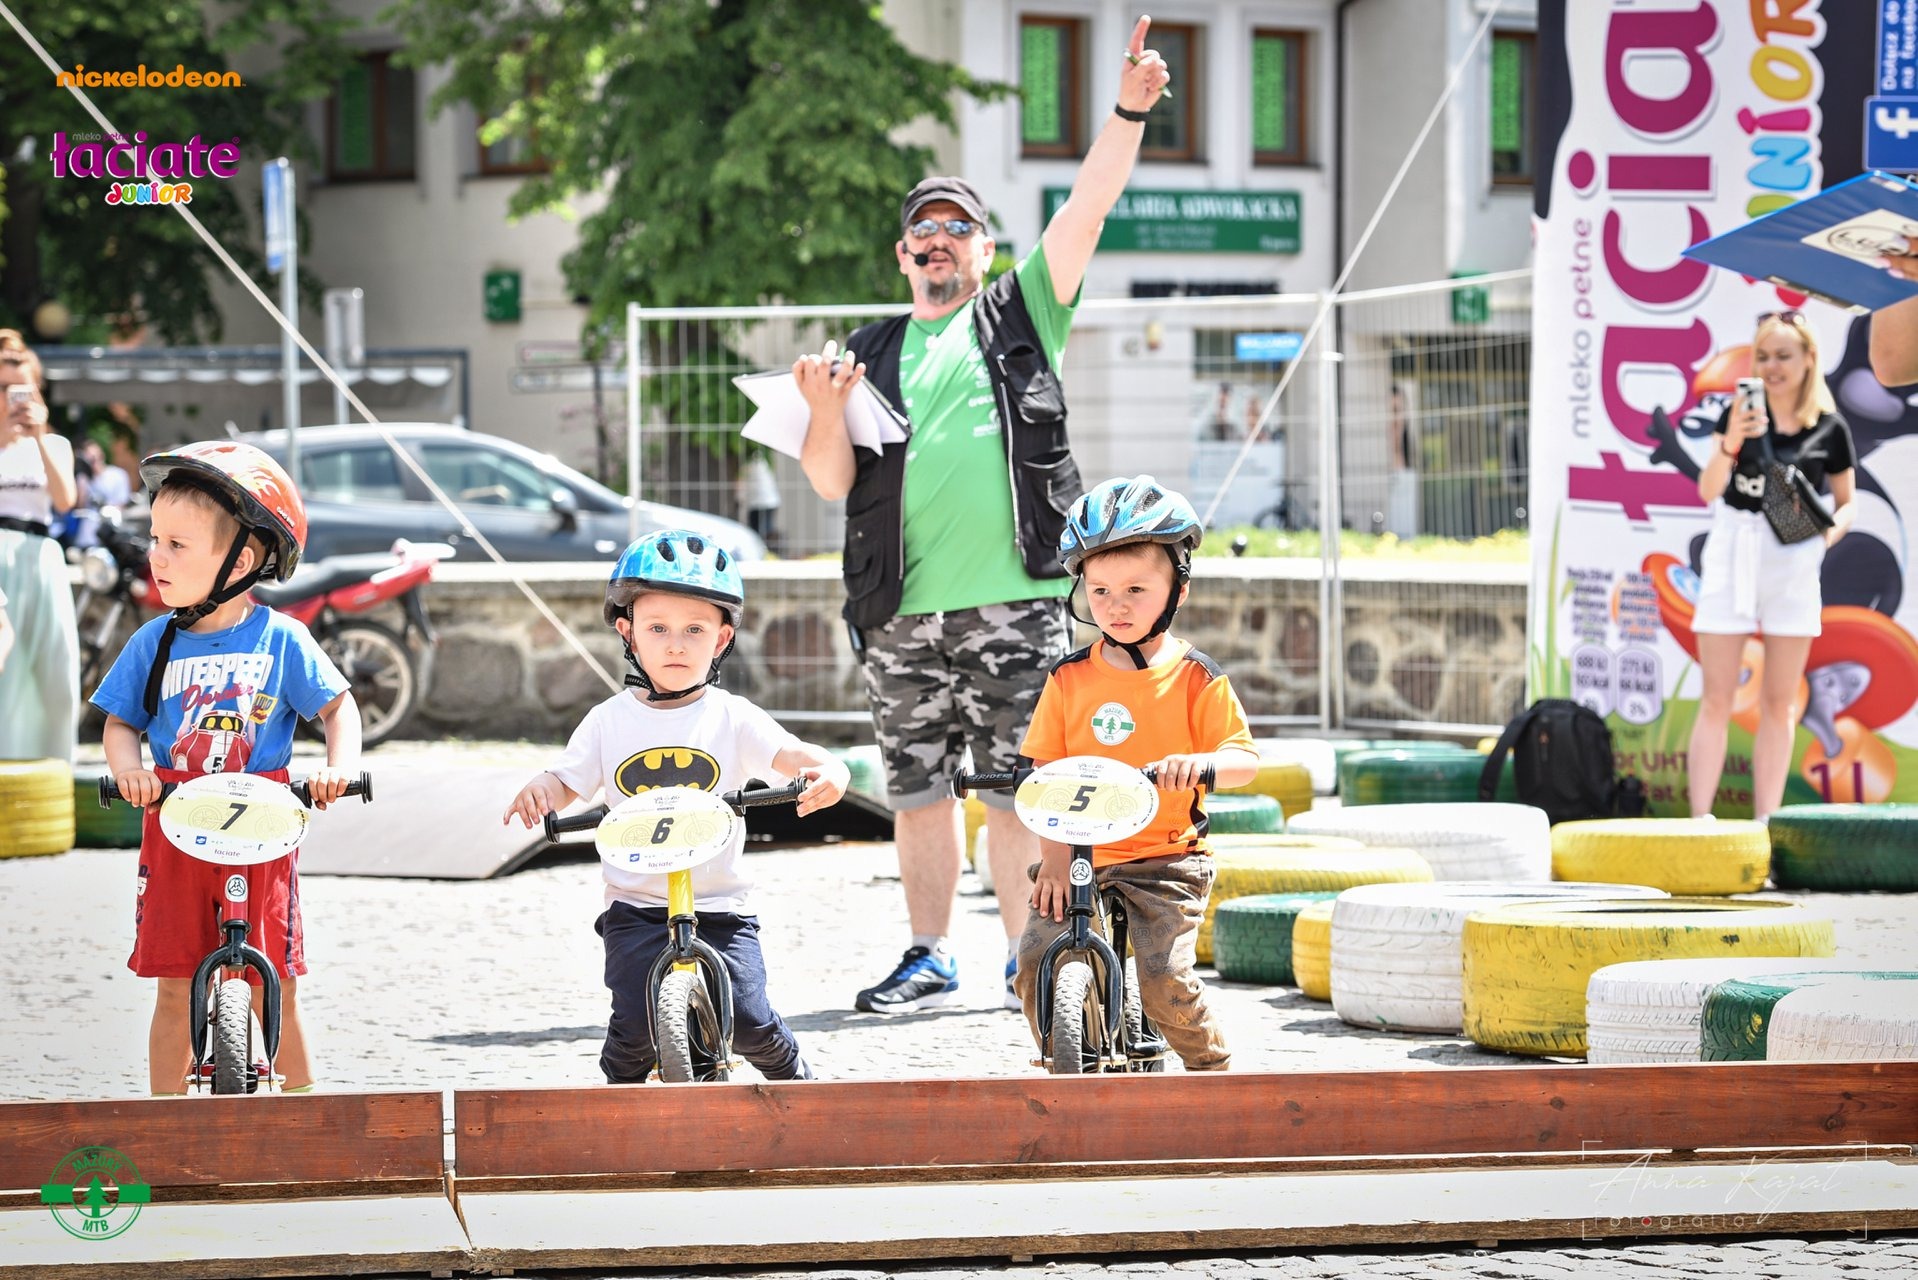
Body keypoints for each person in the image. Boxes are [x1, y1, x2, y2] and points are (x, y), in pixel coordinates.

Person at [795, 16, 1174, 1014]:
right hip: (898, 612)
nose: (935, 241)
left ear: (984, 247)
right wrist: (825, 411)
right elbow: (829, 483)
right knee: (918, 792)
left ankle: (1025, 950)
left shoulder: (1020, 312)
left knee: (1016, 790)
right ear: (900, 253)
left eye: (955, 227)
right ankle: (928, 950)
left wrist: (1127, 110)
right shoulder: (865, 348)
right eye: (921, 230)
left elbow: (1089, 206)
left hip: (1015, 601)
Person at [503, 530, 851, 1083]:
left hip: (720, 906)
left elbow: (789, 753)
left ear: (721, 639)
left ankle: (796, 1079)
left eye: (694, 630)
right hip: (635, 906)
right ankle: (616, 1118)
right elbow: (569, 779)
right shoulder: (608, 720)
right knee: (633, 1033)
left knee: (752, 1019)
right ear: (628, 633)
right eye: (657, 628)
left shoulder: (732, 717)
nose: (675, 644)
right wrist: (544, 788)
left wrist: (830, 768)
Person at [90, 441, 361, 1094]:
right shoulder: (152, 643)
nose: (156, 555)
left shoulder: (281, 638)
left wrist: (337, 769)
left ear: (240, 561)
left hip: (263, 828)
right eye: (155, 538)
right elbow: (119, 721)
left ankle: (303, 1116)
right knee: (174, 986)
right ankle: (165, 1125)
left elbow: (337, 708)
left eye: (178, 545)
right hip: (175, 821)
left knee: (277, 988)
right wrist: (130, 771)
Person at [1012, 476, 1257, 1071]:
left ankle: (1213, 1072)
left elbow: (1245, 761)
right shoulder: (1069, 678)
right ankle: (1068, 1059)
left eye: (1135, 589)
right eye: (1099, 591)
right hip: (1078, 854)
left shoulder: (1197, 677)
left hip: (1166, 860)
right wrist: (1051, 857)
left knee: (1163, 981)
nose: (1115, 606)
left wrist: (1199, 763)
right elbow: (1044, 771)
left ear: (1178, 587)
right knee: (1034, 964)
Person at [1688, 311, 1855, 821]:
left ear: (1809, 359)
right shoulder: (1739, 413)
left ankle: (1766, 825)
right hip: (1735, 544)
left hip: (1794, 558)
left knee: (1780, 703)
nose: (1772, 366)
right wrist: (1731, 441)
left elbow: (1848, 500)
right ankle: (1699, 821)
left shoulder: (1829, 428)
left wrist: (1825, 538)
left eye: (1784, 355)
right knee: (1717, 697)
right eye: (1763, 355)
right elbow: (1708, 489)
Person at [0, 329, 80, 760]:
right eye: (3, 388)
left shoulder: (52, 443)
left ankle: (53, 767)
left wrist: (39, 431)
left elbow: (65, 500)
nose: (14, 397)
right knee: (2, 673)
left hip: (40, 555)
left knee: (55, 668)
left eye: (23, 388)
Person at [71, 438, 134, 549]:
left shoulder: (117, 475)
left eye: (96, 458)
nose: (94, 463)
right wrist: (83, 479)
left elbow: (122, 503)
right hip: (86, 538)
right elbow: (79, 506)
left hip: (109, 535)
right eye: (90, 460)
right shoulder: (84, 479)